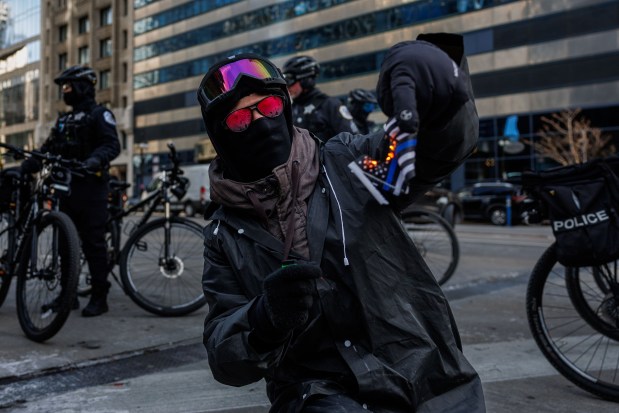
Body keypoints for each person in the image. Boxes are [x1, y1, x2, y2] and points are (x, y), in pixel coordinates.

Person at [197, 34, 484, 413]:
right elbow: (224, 359)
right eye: (238, 118)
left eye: (267, 106)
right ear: (220, 134)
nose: (260, 123)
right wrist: (264, 317)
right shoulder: (223, 234)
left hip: (425, 381)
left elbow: (434, 152)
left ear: (285, 107)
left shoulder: (350, 164)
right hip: (315, 396)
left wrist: (443, 94)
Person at [21, 65, 121, 317]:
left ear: (83, 87)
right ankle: (68, 296)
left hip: (92, 188)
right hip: (66, 188)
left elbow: (111, 145)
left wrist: (94, 161)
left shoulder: (100, 114)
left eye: (68, 86)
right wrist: (30, 163)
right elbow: (50, 146)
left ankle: (100, 296)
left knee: (93, 243)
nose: (64, 91)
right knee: (65, 244)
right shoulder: (64, 119)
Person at [282, 55, 358, 141]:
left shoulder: (330, 105)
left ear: (305, 81)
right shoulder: (291, 109)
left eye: (290, 81)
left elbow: (353, 141)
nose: (288, 87)